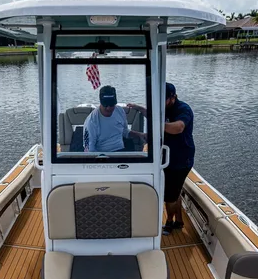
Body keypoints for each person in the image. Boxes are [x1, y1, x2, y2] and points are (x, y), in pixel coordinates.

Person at [129, 82, 194, 235]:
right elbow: (151, 113)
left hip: (180, 159)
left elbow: (178, 127)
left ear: (173, 97)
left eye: (163, 99)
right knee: (174, 192)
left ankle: (169, 223)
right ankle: (179, 222)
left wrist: (158, 124)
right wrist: (138, 108)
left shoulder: (183, 109)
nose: (160, 103)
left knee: (169, 196)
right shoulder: (163, 107)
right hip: (168, 156)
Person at [83, 85, 146, 153]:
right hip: (103, 156)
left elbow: (124, 131)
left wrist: (140, 135)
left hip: (122, 151)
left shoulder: (120, 111)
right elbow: (89, 150)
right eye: (105, 105)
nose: (109, 108)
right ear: (101, 103)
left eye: (111, 105)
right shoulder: (91, 121)